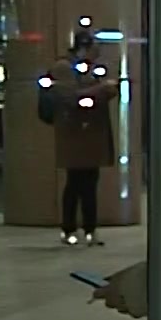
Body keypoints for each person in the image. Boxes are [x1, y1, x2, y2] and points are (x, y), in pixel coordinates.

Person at [48, 30, 119, 245]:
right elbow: (71, 97)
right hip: (75, 134)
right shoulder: (63, 67)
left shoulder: (92, 68)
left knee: (89, 184)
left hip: (91, 134)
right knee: (75, 183)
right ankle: (69, 228)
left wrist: (105, 89)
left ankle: (90, 229)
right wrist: (101, 89)